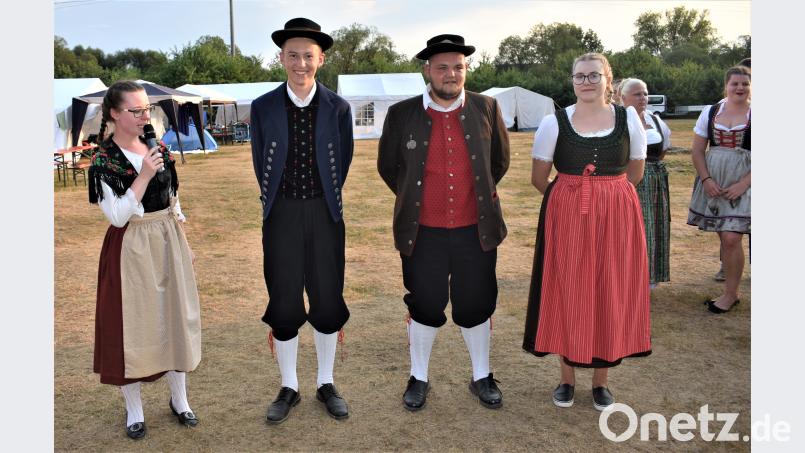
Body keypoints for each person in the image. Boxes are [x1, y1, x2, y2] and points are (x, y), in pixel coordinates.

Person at [378, 34, 510, 411]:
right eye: (442, 68)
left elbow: (498, 163)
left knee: (476, 303)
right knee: (425, 303)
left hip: (475, 231)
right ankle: (418, 376)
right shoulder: (402, 114)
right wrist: (417, 200)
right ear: (427, 71)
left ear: (465, 69)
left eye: (457, 67)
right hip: (423, 233)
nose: (450, 74)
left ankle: (481, 375)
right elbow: (389, 168)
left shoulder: (487, 107)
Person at [522, 53, 651, 412]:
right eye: (579, 76)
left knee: (609, 288)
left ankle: (601, 381)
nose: (586, 82)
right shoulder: (554, 122)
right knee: (568, 288)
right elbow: (539, 178)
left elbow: (635, 173)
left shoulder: (629, 119)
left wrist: (607, 198)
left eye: (594, 75)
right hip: (568, 215)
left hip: (616, 216)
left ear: (609, 79)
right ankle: (566, 378)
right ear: (572, 81)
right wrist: (571, 199)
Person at [250, 17, 354, 424]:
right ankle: (289, 385)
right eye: (292, 56)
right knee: (284, 298)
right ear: (281, 59)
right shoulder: (263, 107)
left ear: (320, 59)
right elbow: (261, 160)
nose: (300, 64)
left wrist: (321, 198)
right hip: (282, 214)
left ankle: (326, 382)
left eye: (308, 56)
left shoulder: (338, 107)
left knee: (327, 297)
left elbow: (342, 160)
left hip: (325, 213)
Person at [88, 81, 202, 440]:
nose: (144, 116)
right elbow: (118, 216)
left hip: (167, 240)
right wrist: (144, 174)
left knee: (175, 319)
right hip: (131, 246)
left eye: (146, 109)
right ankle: (134, 410)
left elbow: (173, 197)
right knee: (133, 327)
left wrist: (183, 238)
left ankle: (180, 400)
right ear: (114, 114)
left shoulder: (159, 147)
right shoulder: (104, 160)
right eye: (135, 111)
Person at [687, 66, 751, 314]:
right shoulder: (711, 111)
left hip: (745, 180)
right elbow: (697, 150)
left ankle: (731, 294)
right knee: (724, 236)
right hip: (715, 181)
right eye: (735, 83)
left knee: (732, 237)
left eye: (745, 83)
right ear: (726, 86)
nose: (740, 88)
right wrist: (706, 179)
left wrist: (744, 184)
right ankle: (730, 289)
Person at [619, 78, 672, 289]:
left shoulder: (655, 120)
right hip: (626, 180)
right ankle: (626, 277)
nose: (642, 98)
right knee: (629, 230)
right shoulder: (616, 121)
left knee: (654, 227)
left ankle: (650, 276)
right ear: (623, 97)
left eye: (645, 93)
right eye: (637, 94)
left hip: (654, 182)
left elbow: (663, 149)